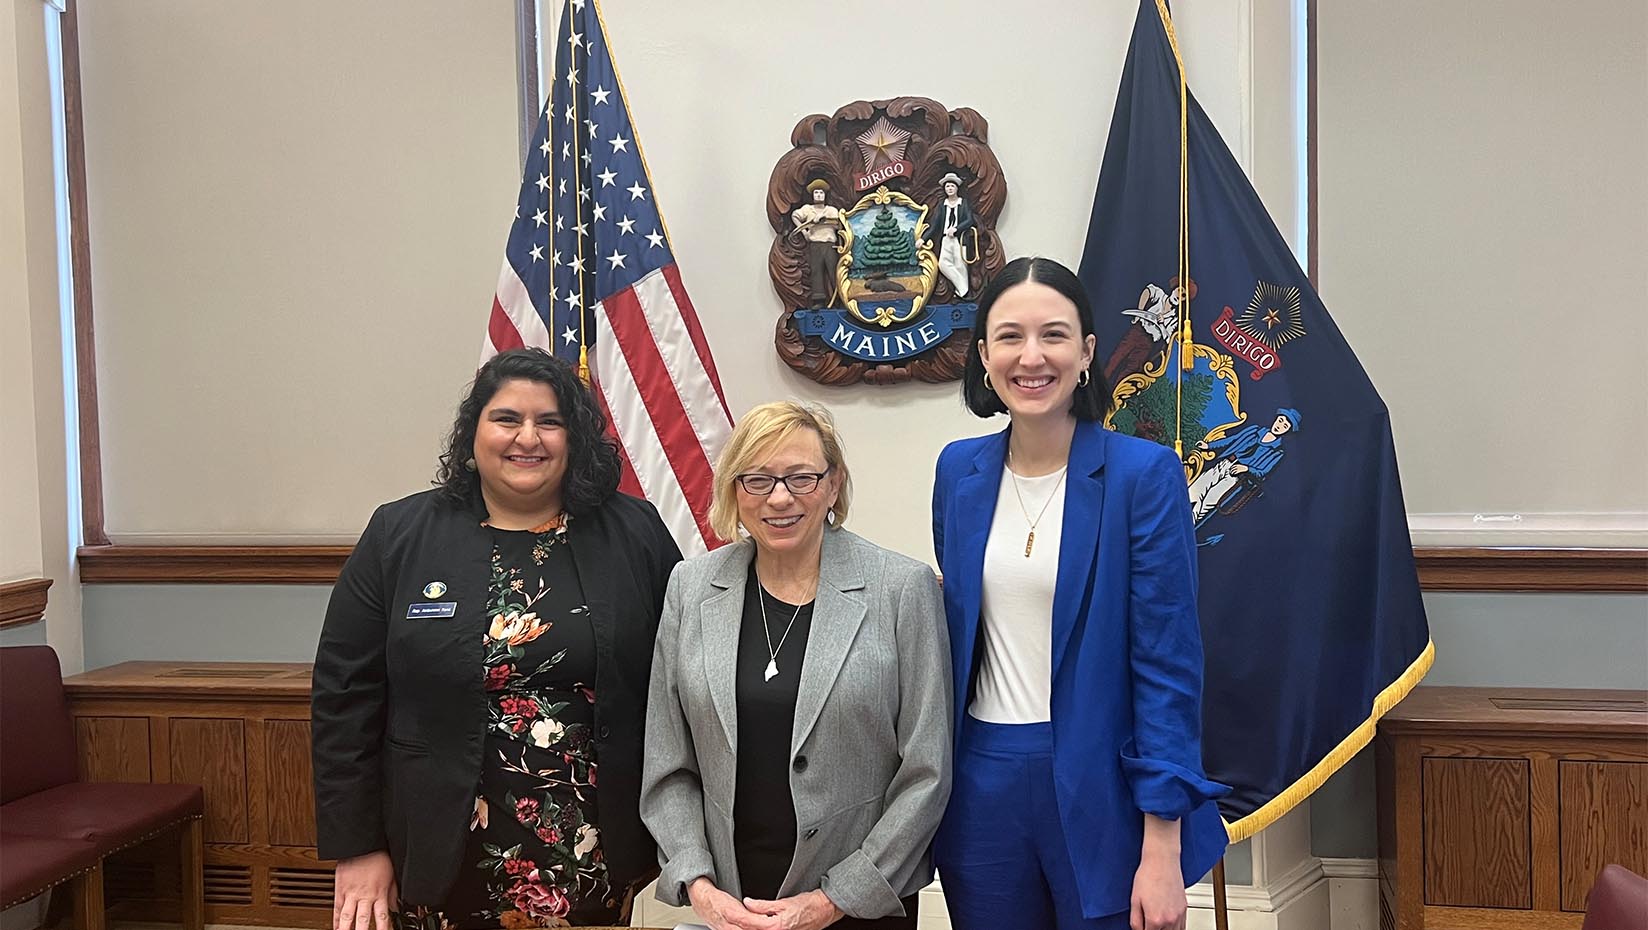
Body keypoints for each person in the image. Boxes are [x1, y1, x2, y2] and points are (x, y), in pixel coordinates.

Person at [312, 347, 682, 930]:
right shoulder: (399, 535)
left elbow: (683, 682)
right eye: (507, 418)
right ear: (474, 432)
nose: (527, 438)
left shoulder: (635, 532)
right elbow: (344, 698)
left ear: (574, 438)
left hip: (593, 848)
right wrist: (358, 846)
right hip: (436, 847)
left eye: (550, 421)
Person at [930, 257, 1229, 930]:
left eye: (1054, 335)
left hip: (1107, 795)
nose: (1031, 357)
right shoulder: (957, 472)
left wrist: (1162, 845)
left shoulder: (1143, 475)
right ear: (984, 356)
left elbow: (1167, 666)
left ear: (1088, 352)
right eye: (1010, 336)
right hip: (980, 788)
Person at [642, 401, 951, 930]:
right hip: (730, 906)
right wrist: (699, 884)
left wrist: (836, 899)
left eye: (802, 477)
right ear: (734, 490)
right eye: (757, 479)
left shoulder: (902, 589)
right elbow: (667, 761)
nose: (780, 497)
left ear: (834, 485)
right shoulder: (690, 588)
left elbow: (928, 771)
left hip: (860, 907)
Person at [791, 179, 845, 307]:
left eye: (821, 192)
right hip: (815, 244)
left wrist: (823, 219)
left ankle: (840, 299)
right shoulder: (808, 209)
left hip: (829, 245)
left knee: (834, 271)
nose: (819, 195)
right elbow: (795, 216)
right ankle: (818, 300)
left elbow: (838, 225)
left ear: (825, 195)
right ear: (812, 195)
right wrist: (804, 232)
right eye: (816, 193)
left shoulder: (831, 210)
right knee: (816, 271)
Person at [926, 172, 976, 298]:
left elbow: (969, 220)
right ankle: (963, 289)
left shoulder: (963, 203)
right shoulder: (942, 205)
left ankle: (961, 292)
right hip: (946, 239)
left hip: (960, 239)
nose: (949, 188)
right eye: (947, 186)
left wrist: (957, 229)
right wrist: (923, 239)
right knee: (943, 264)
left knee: (960, 264)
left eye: (952, 186)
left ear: (957, 188)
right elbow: (935, 225)